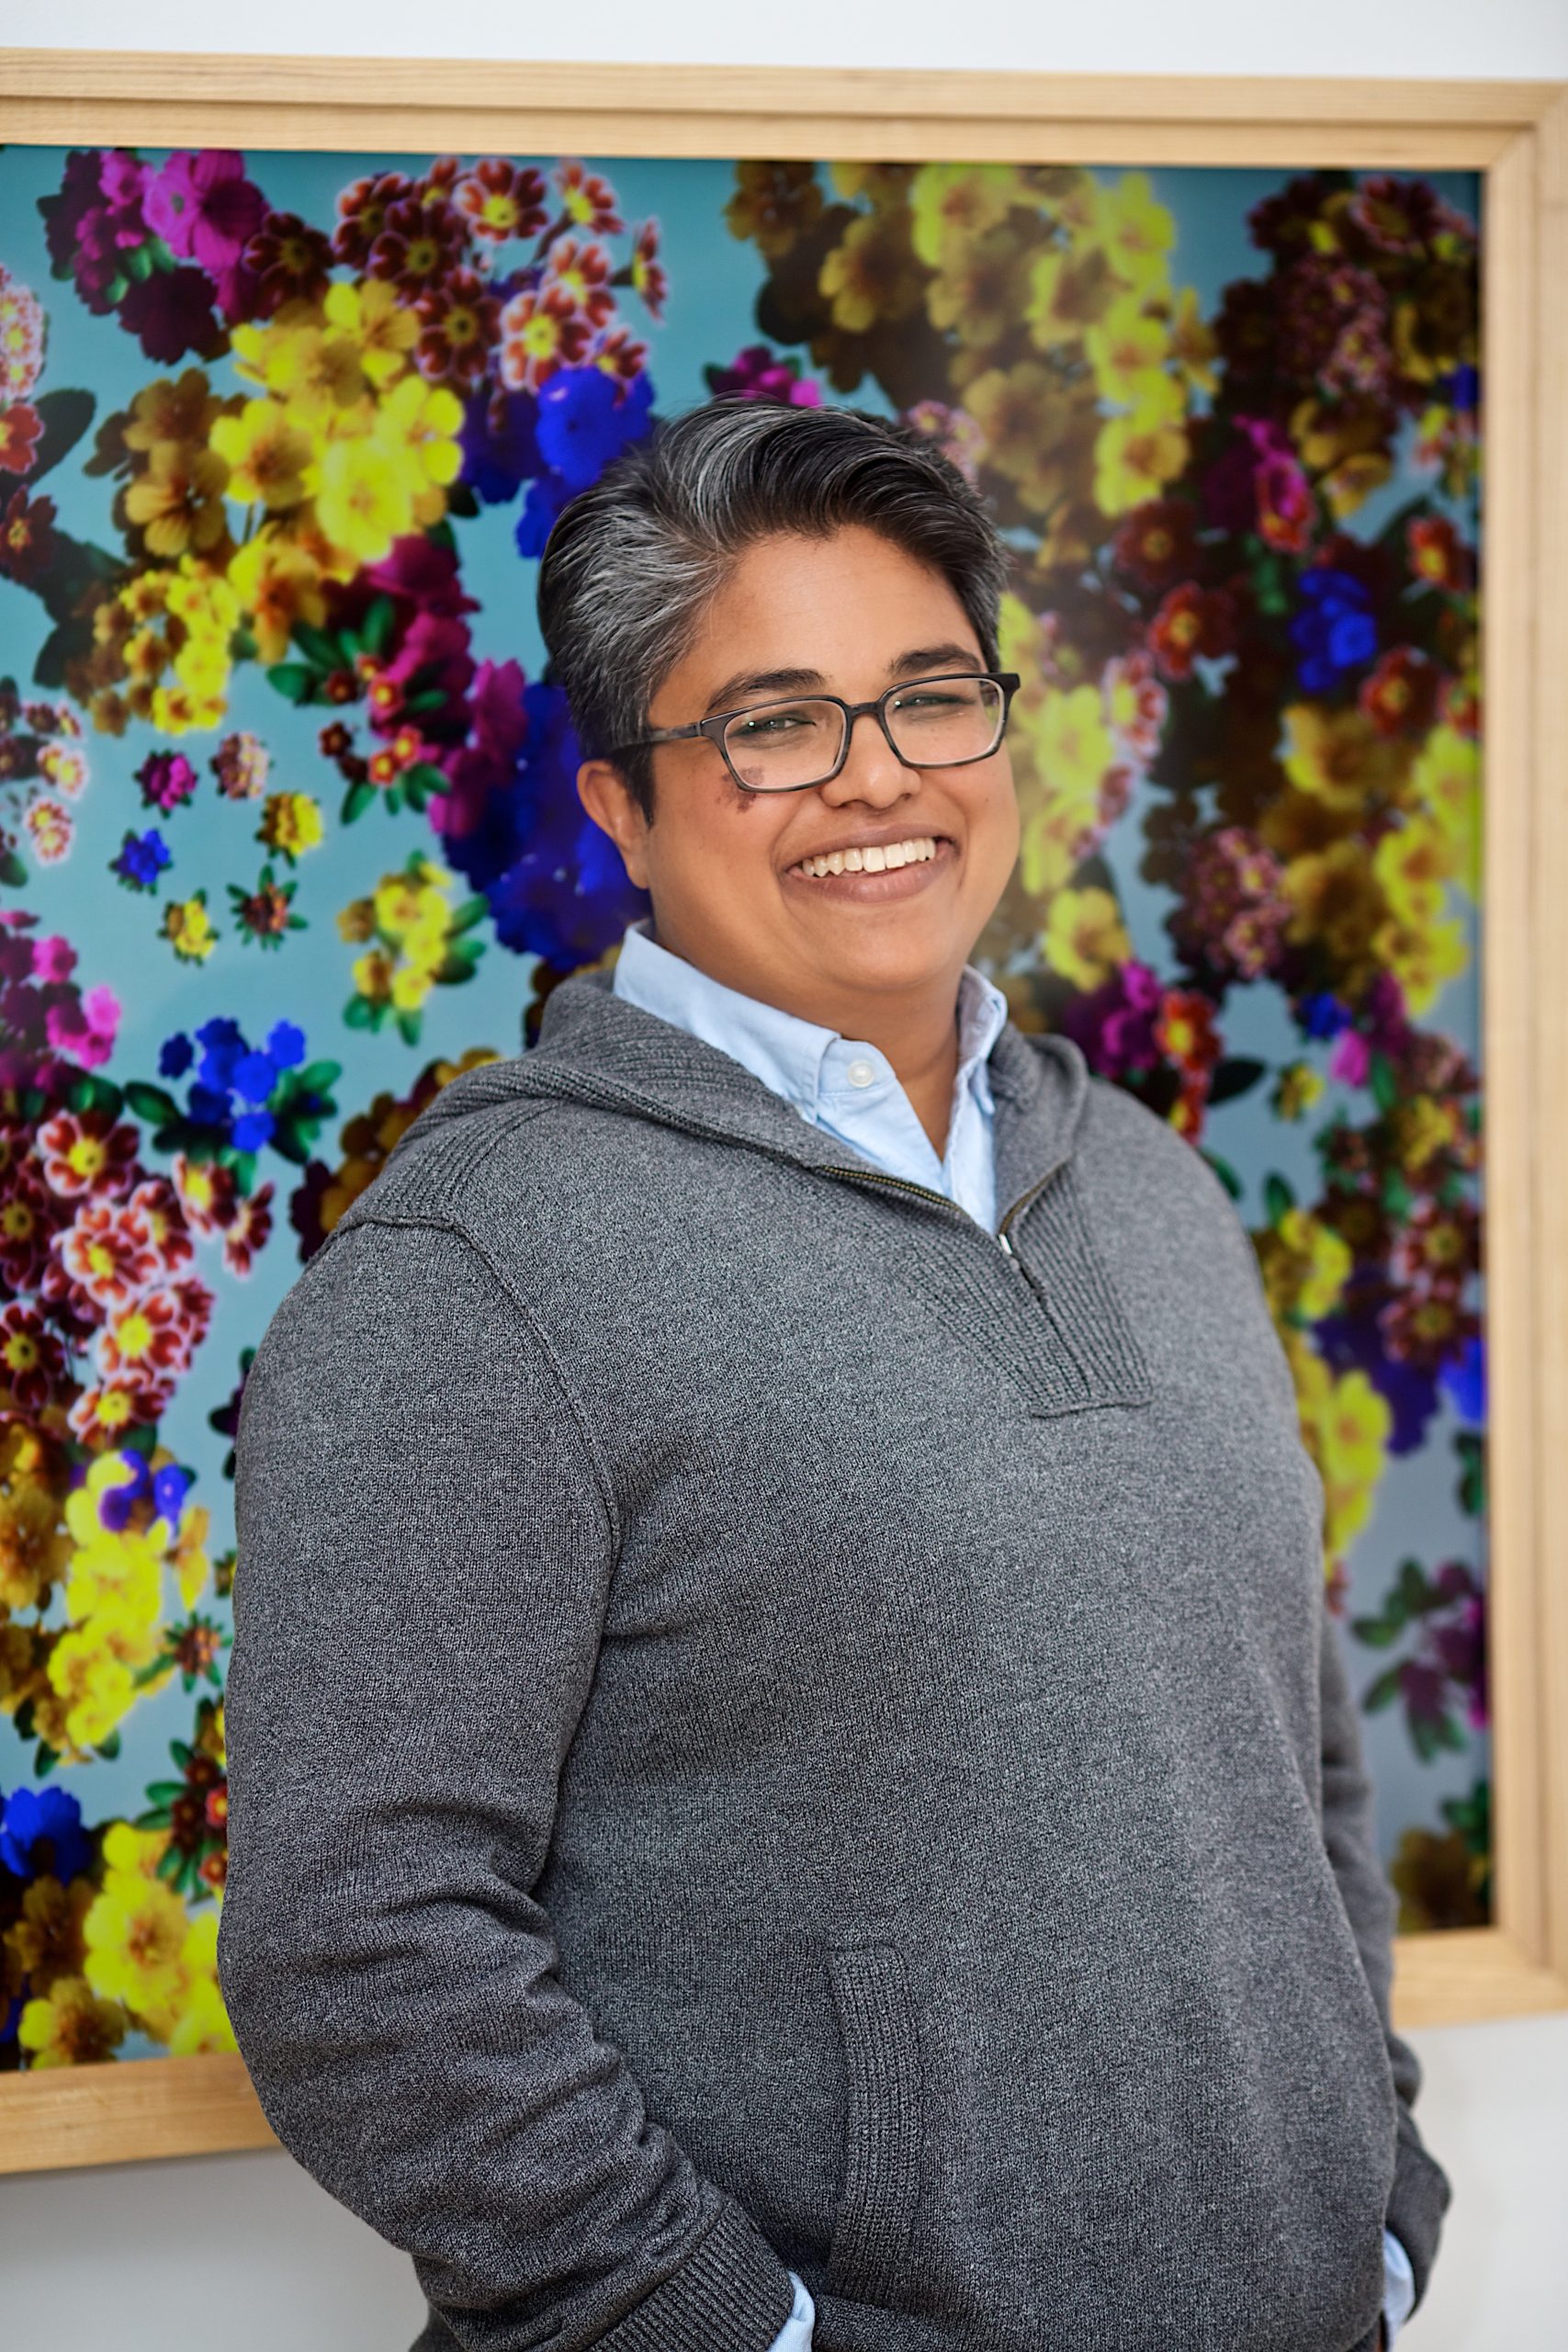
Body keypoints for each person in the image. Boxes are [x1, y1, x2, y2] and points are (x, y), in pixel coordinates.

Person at [219, 398, 1450, 2352]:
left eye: (929, 695)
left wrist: (1361, 2194)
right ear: (620, 800)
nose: (874, 779)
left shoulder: (1138, 1177)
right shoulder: (479, 1267)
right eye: (772, 721)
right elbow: (358, 1948)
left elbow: (1281, 1746)